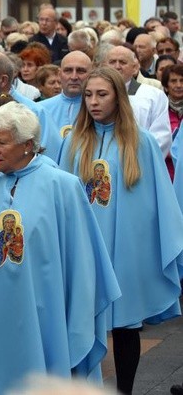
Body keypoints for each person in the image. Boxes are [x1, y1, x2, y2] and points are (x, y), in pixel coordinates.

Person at [0, 101, 119, 394]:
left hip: (44, 307)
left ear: (27, 145)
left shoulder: (62, 185)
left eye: (1, 143)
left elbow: (81, 259)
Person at [59, 67, 183, 395]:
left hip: (125, 246)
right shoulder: (74, 140)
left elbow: (159, 198)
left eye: (102, 94)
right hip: (84, 247)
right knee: (82, 321)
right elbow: (60, 196)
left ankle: (125, 390)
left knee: (126, 326)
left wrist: (164, 243)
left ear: (118, 96)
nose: (94, 102)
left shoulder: (140, 141)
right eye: (88, 95)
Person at [41, 51, 92, 135]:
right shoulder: (42, 109)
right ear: (59, 74)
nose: (74, 77)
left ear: (91, 74)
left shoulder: (99, 110)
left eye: (81, 71)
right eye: (68, 70)